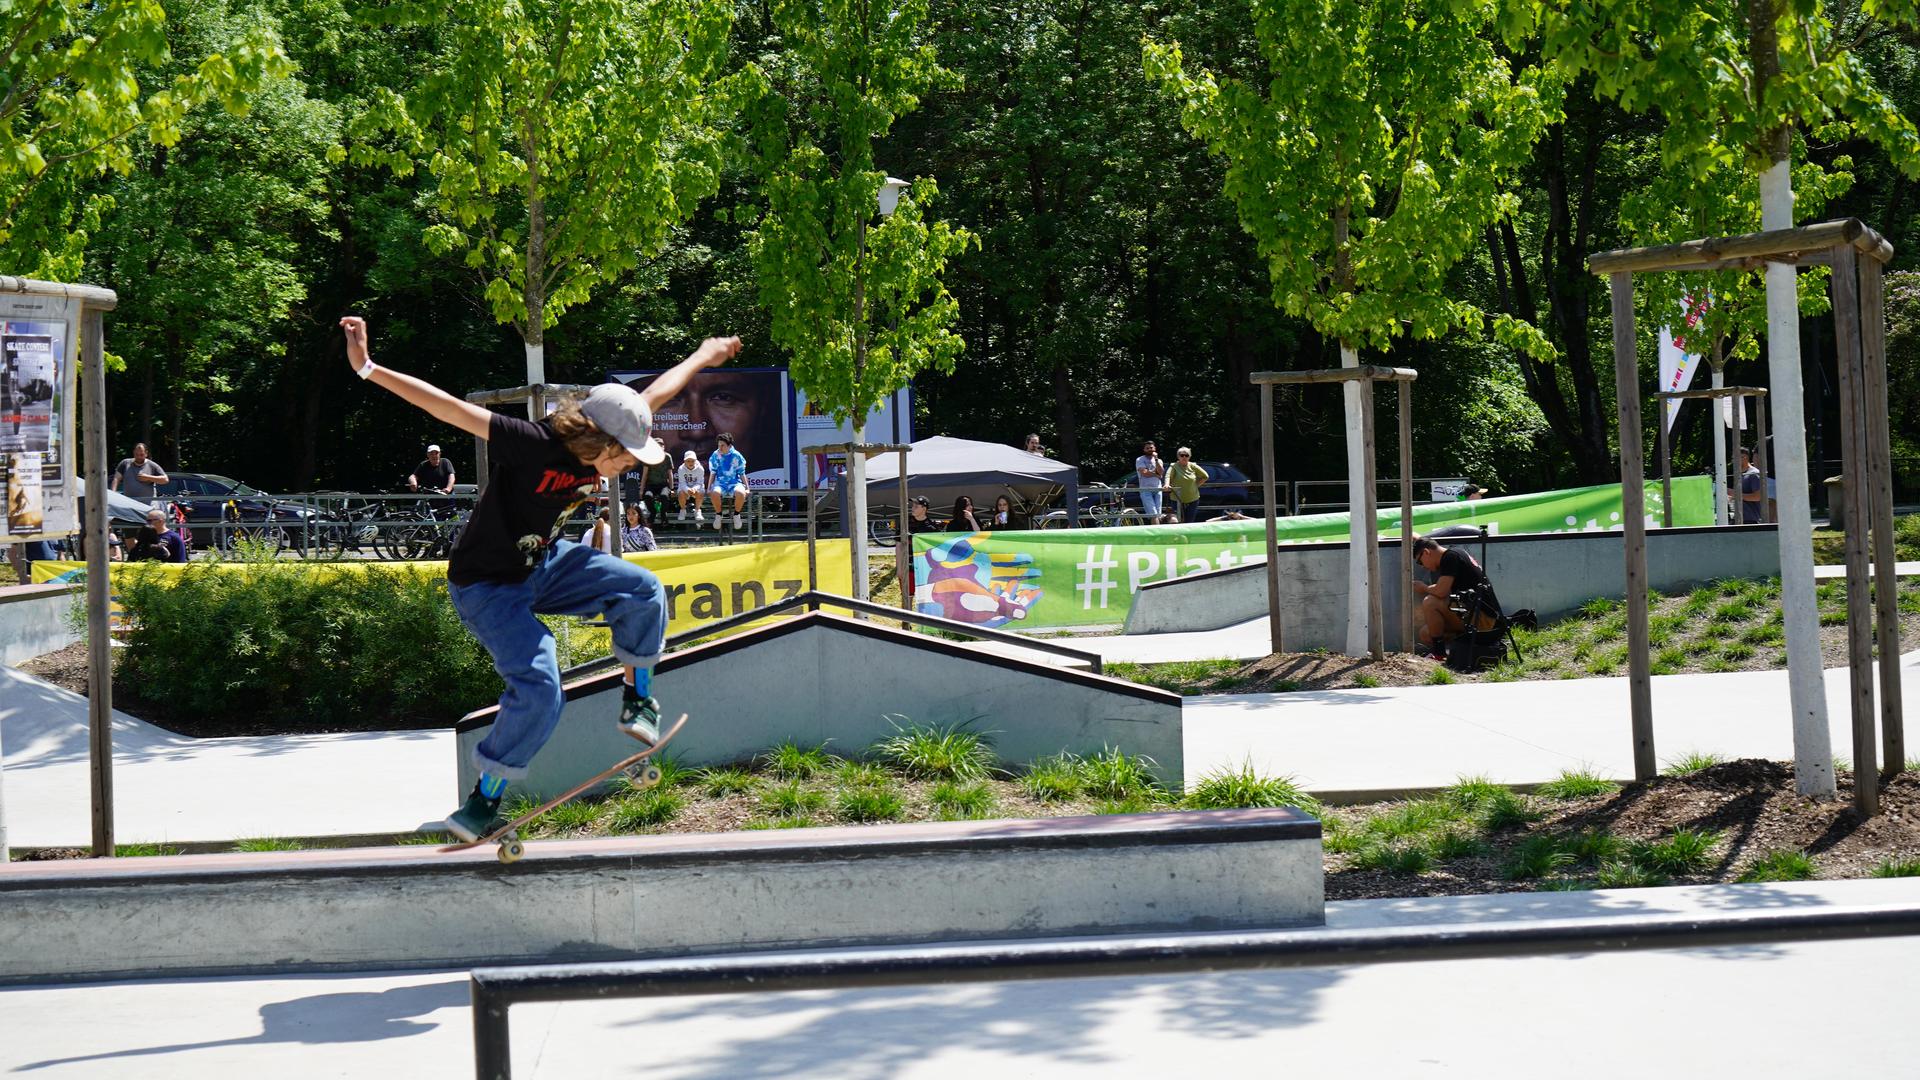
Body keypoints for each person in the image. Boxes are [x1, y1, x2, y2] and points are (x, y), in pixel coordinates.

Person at [338, 314, 742, 842]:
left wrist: (703, 355)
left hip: (545, 564)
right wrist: (368, 367)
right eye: (625, 459)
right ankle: (482, 804)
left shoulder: (616, 429)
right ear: (601, 441)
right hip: (486, 585)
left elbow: (656, 393)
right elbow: (446, 407)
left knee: (641, 589)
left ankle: (637, 697)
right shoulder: (530, 442)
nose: (628, 469)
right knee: (542, 686)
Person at [1412, 535, 1488, 658]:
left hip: (1483, 620)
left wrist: (1424, 588)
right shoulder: (1454, 553)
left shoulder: (1450, 558)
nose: (1423, 566)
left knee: (1430, 602)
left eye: (1420, 562)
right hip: (1472, 614)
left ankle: (1439, 654)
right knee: (1426, 633)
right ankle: (1456, 650)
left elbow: (1441, 591)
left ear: (1426, 552)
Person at [706, 432, 748, 531]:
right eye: (718, 445)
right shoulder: (715, 455)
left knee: (741, 493)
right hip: (720, 484)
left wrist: (747, 488)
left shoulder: (737, 455)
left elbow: (742, 473)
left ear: (729, 445)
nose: (720, 448)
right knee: (714, 493)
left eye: (722, 445)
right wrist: (709, 488)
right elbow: (713, 472)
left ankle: (736, 515)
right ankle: (718, 515)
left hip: (735, 483)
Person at [1166, 448, 1209, 523]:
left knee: (1189, 522)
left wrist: (1195, 485)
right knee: (1176, 522)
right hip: (1177, 499)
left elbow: (1205, 476)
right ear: (1178, 456)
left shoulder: (1193, 466)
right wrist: (1167, 484)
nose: (1184, 457)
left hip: (1192, 499)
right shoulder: (1174, 466)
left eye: (1186, 455)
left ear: (1189, 456)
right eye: (1182, 455)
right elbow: (1168, 476)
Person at [673, 450, 706, 524]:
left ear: (695, 460)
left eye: (692, 461)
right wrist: (687, 490)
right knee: (681, 493)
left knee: (701, 492)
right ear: (684, 461)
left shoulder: (700, 469)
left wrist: (694, 489)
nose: (690, 463)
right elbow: (682, 482)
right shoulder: (681, 469)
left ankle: (697, 511)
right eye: (688, 461)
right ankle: (683, 510)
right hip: (685, 487)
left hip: (696, 488)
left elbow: (700, 483)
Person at [1135, 441, 1165, 520]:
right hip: (1145, 490)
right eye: (1147, 448)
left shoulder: (1159, 460)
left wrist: (1156, 459)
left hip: (1158, 489)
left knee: (1158, 514)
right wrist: (1156, 474)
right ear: (1144, 450)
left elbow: (1161, 472)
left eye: (1151, 448)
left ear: (1155, 448)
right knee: (1153, 514)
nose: (1149, 449)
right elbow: (1144, 473)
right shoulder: (1140, 459)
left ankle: (1158, 531)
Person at [1735, 446, 1764, 524]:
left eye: (1735, 458)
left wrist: (1735, 494)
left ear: (1745, 457)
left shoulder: (1754, 474)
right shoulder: (1739, 475)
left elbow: (1757, 497)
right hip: (1741, 519)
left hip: (1752, 520)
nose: (1733, 461)